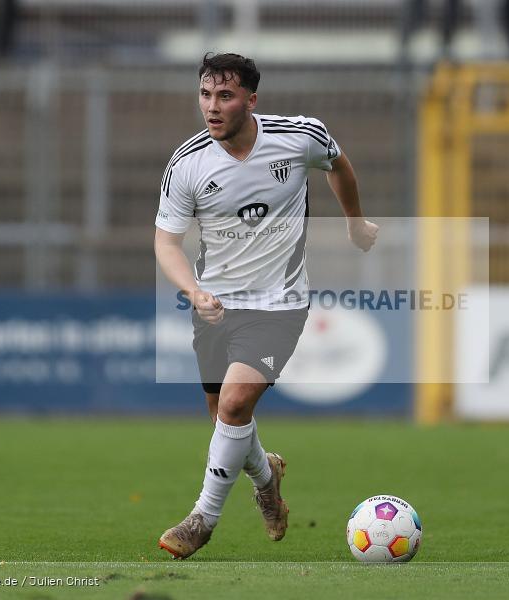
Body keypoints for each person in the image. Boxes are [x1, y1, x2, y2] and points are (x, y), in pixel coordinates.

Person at [154, 53, 378, 559]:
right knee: (224, 418)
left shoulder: (299, 137)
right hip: (213, 305)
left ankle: (201, 519)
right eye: (205, 95)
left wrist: (355, 222)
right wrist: (192, 291)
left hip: (280, 302)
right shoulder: (187, 163)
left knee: (235, 405)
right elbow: (166, 243)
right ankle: (266, 477)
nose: (212, 107)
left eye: (225, 96)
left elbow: (339, 165)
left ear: (250, 100)